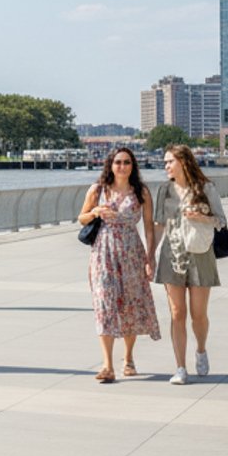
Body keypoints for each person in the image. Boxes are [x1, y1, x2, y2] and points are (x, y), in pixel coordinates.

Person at [78, 148, 161, 383]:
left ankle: (129, 357)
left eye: (126, 162)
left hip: (131, 252)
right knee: (104, 303)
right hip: (103, 252)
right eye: (117, 162)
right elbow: (81, 218)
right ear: (110, 165)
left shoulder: (141, 192)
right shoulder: (98, 190)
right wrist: (94, 212)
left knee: (130, 304)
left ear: (133, 165)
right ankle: (107, 365)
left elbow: (148, 225)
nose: (122, 166)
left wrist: (150, 256)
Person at [154, 144, 225, 385]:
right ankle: (180, 367)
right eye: (165, 162)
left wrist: (201, 217)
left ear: (183, 162)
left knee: (198, 314)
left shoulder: (206, 188)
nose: (166, 166)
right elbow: (158, 225)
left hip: (199, 254)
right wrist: (147, 255)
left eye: (169, 162)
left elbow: (221, 221)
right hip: (170, 255)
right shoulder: (164, 190)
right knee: (176, 313)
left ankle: (201, 350)